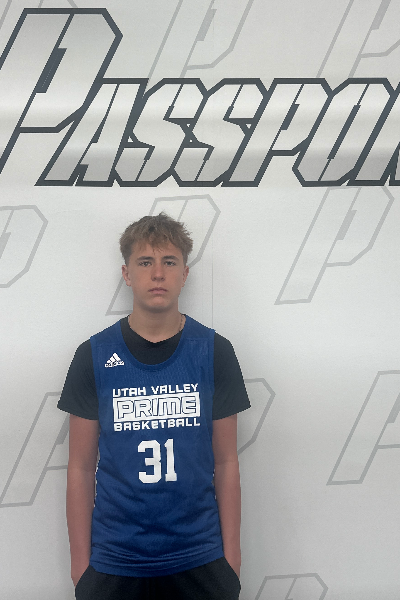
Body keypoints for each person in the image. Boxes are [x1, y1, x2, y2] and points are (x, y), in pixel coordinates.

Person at [58, 212, 251, 600]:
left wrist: (231, 560)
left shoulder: (214, 351)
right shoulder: (93, 355)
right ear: (127, 274)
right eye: (145, 262)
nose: (158, 274)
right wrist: (81, 568)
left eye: (169, 262)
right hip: (115, 560)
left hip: (200, 557)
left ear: (185, 273)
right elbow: (79, 467)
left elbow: (227, 462)